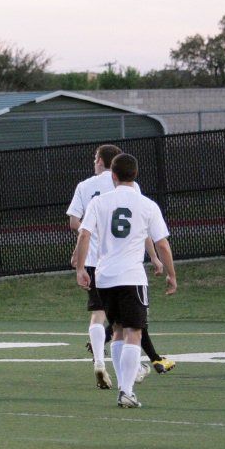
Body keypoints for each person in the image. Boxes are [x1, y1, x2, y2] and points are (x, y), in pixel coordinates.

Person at [67, 144, 176, 389]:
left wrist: (80, 265)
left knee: (110, 325)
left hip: (101, 269)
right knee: (134, 330)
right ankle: (128, 386)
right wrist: (163, 266)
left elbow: (79, 228)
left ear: (109, 169)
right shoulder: (142, 199)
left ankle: (100, 361)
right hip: (131, 273)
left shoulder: (89, 191)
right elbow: (155, 237)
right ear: (133, 175)